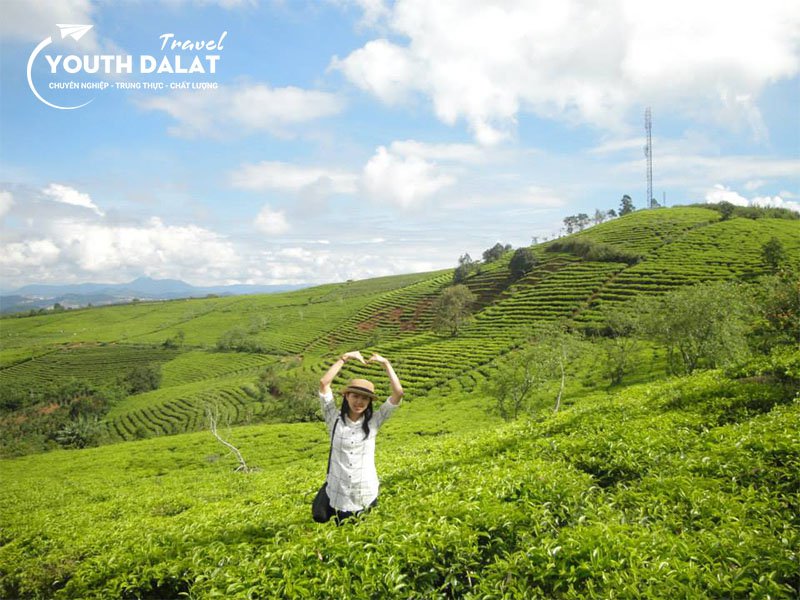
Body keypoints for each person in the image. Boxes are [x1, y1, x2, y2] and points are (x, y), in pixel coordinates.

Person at [318, 350, 403, 524]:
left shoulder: (374, 422)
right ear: (346, 396)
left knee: (365, 536)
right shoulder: (333, 418)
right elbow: (324, 383)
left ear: (369, 401)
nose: (359, 402)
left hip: (365, 492)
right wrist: (344, 358)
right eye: (355, 396)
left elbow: (398, 393)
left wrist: (386, 363)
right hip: (339, 493)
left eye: (365, 398)